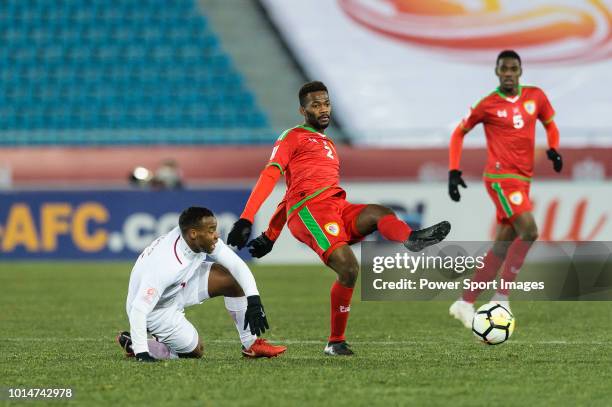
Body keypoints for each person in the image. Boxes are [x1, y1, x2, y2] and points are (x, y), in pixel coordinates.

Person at [227, 81, 451, 356]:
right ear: (303, 109)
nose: (323, 109)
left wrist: (271, 236)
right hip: (310, 211)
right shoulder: (293, 136)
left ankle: (411, 239)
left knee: (379, 213)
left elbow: (291, 190)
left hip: (336, 206)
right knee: (349, 267)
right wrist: (248, 219)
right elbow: (272, 175)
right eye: (315, 105)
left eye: (326, 103)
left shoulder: (327, 143)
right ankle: (336, 341)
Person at [447, 50, 562, 327]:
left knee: (502, 245)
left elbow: (551, 124)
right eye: (504, 69)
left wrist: (554, 149)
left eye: (513, 69)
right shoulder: (487, 104)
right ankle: (501, 297)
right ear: (497, 72)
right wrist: (453, 170)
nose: (509, 73)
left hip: (523, 180)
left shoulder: (536, 96)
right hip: (500, 178)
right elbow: (458, 132)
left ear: (520, 71)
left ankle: (465, 301)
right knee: (530, 231)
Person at [116, 206, 287, 362]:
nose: (217, 235)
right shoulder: (166, 265)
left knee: (231, 279)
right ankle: (137, 344)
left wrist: (254, 298)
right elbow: (138, 309)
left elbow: (236, 265)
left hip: (180, 284)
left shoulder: (197, 238)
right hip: (156, 308)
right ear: (193, 234)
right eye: (212, 230)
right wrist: (141, 353)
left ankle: (251, 344)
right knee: (195, 351)